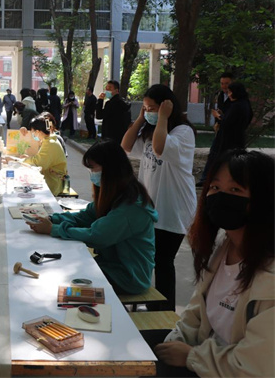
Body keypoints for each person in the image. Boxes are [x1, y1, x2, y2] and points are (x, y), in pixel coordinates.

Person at [146, 149, 274, 378]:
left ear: (263, 200)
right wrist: (176, 340)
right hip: (210, 358)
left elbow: (256, 366)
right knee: (140, 347)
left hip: (235, 370)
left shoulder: (270, 275)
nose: (220, 196)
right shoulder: (224, 248)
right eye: (214, 187)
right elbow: (196, 310)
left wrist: (191, 356)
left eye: (235, 190)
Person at [26, 140, 156, 295]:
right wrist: (53, 219)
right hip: (111, 265)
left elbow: (96, 236)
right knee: (64, 266)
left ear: (110, 168)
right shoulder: (114, 193)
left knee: (63, 277)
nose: (91, 173)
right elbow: (85, 216)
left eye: (93, 168)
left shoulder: (132, 207)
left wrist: (53, 229)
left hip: (128, 277)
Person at [121, 84, 197, 311]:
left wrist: (162, 117)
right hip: (152, 208)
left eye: (152, 108)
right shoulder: (151, 131)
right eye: (146, 108)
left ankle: (164, 313)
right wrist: (140, 119)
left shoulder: (183, 132)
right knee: (150, 259)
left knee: (163, 261)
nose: (149, 112)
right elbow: (125, 145)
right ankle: (153, 307)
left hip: (174, 208)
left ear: (167, 106)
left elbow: (160, 148)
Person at [198, 80, 253, 186]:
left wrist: (218, 116)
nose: (229, 94)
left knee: (225, 161)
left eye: (230, 92)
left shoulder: (237, 105)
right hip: (238, 137)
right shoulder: (245, 103)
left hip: (229, 139)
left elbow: (227, 122)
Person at [22, 114, 68, 196]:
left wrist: (21, 160)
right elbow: (41, 158)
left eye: (32, 132)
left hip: (53, 183)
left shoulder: (50, 143)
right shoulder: (48, 140)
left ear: (38, 132)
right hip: (51, 177)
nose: (32, 134)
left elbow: (39, 163)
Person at [95, 80, 131, 144]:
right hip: (121, 135)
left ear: (116, 90)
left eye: (110, 88)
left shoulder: (111, 103)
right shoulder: (123, 102)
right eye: (106, 88)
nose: (107, 90)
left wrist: (100, 100)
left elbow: (99, 115)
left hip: (110, 136)